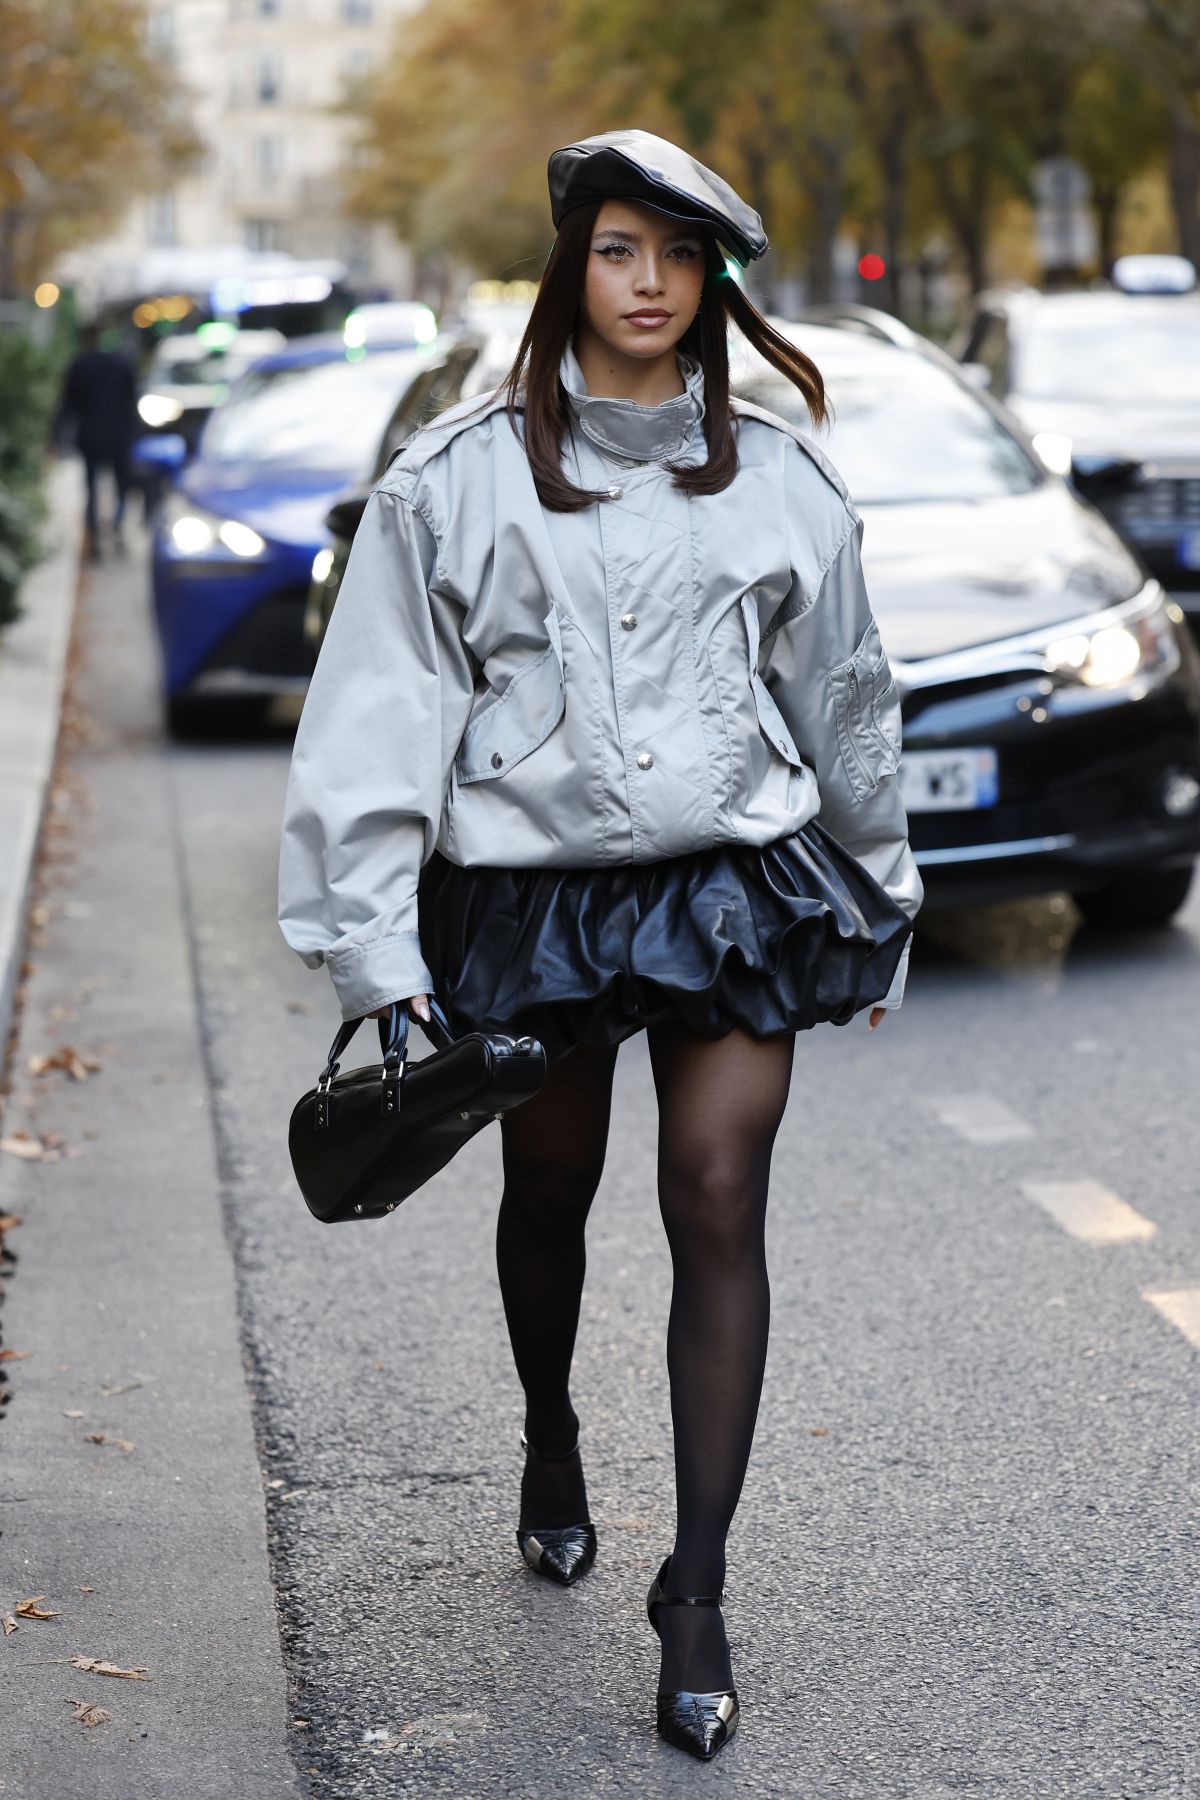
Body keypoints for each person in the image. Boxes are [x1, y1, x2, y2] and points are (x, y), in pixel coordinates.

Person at [278, 128, 923, 1762]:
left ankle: (695, 1591)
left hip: (733, 884)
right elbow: (373, 722)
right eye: (622, 250)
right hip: (533, 894)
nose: (652, 284)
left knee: (715, 1191)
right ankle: (551, 1436)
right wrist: (375, 952)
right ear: (573, 265)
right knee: (548, 1188)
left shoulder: (781, 478)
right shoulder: (455, 479)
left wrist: (880, 894)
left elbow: (846, 699)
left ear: (715, 281)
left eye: (683, 256)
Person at [53, 322, 139, 558]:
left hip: (91, 437)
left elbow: (68, 405)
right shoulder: (121, 363)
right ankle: (117, 528)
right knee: (121, 487)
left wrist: (55, 437)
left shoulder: (79, 365)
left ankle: (95, 539)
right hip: (118, 435)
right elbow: (132, 401)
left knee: (91, 490)